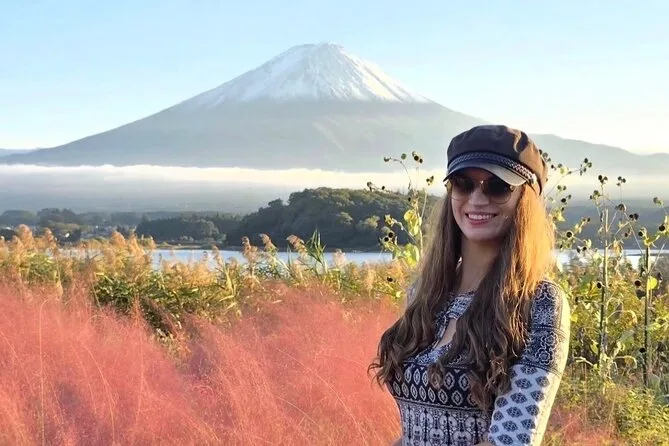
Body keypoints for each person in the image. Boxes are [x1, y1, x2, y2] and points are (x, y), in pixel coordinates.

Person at [369, 125, 571, 445]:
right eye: (463, 184)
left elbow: (510, 440)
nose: (477, 199)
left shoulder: (539, 301)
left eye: (498, 187)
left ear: (525, 199)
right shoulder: (424, 294)